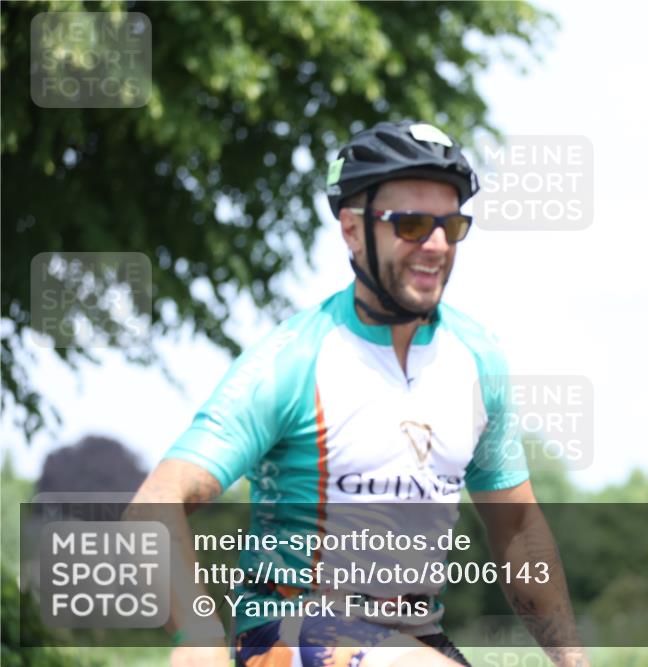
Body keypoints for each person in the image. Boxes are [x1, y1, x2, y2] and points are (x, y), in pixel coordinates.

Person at [128, 121, 588, 667]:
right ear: (352, 229)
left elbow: (518, 528)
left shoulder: (478, 360)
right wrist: (198, 634)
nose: (436, 245)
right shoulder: (294, 361)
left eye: (451, 226)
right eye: (412, 224)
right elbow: (153, 505)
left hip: (415, 635)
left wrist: (574, 663)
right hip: (290, 630)